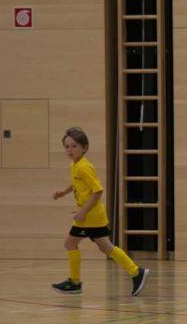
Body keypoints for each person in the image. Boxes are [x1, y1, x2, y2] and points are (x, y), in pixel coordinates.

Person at [51, 127, 149, 296]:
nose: (69, 150)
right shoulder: (75, 165)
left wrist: (83, 211)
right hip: (94, 216)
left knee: (70, 243)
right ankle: (135, 272)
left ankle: (74, 282)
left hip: (89, 216)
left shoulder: (84, 167)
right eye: (67, 146)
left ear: (85, 147)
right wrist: (64, 192)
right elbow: (78, 183)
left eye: (74, 146)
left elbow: (98, 191)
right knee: (106, 247)